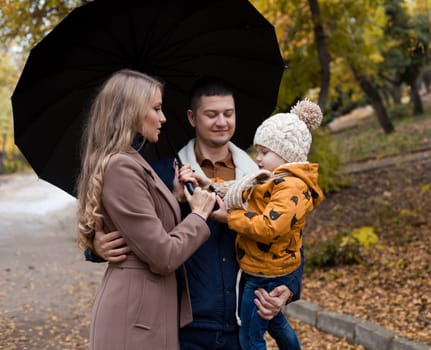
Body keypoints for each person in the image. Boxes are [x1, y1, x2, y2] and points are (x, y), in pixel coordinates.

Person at [89, 78, 303, 350]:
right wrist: (96, 248)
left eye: (228, 113)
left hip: (243, 323)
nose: (222, 122)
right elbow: (131, 225)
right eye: (211, 114)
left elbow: (291, 234)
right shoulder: (161, 175)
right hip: (184, 327)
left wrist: (289, 289)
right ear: (192, 117)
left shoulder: (264, 178)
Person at [76, 69, 217, 350]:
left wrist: (174, 197)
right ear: (131, 111)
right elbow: (163, 255)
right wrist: (199, 215)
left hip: (149, 314)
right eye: (156, 108)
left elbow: (148, 230)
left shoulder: (132, 161)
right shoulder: (121, 166)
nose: (163, 117)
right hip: (135, 321)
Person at [213, 99, 324, 349]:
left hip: (264, 274)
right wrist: (211, 185)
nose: (258, 158)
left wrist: (230, 218)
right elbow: (244, 191)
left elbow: (270, 227)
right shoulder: (275, 181)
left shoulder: (291, 188)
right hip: (263, 268)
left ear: (286, 155)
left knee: (250, 338)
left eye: (264, 152)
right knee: (276, 324)